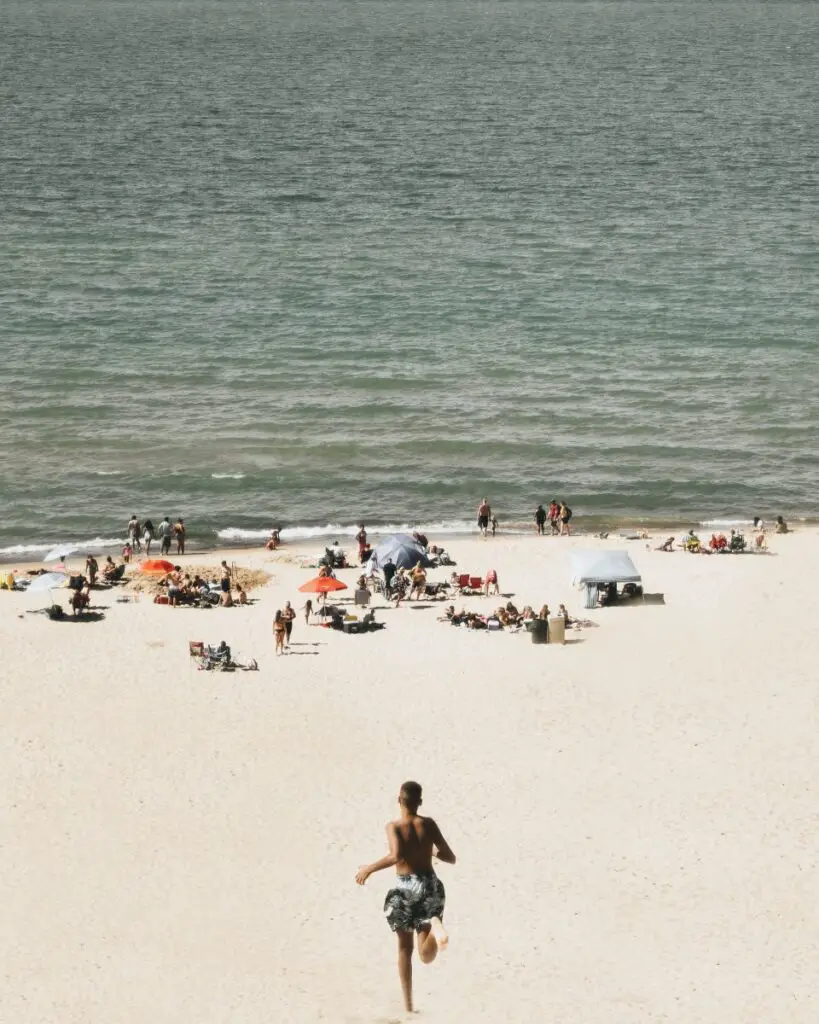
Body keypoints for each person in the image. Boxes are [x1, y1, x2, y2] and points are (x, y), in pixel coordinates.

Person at [355, 781, 456, 1016]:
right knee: (426, 954)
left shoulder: (394, 826)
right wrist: (430, 850)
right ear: (419, 802)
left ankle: (408, 1006)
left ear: (399, 800)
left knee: (404, 950)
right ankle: (435, 927)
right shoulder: (429, 824)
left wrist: (369, 868)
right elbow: (450, 857)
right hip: (430, 885)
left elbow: (396, 855)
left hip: (405, 889)